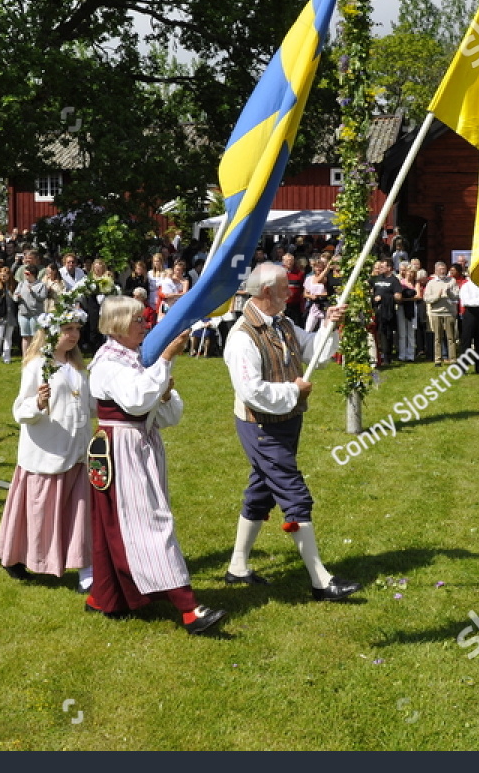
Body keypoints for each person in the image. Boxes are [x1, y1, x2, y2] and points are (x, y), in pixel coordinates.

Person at [86, 296, 226, 634]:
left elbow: (166, 415)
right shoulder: (107, 363)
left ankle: (107, 595)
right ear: (117, 326)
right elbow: (135, 401)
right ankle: (188, 607)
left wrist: (163, 392)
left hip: (138, 445)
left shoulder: (134, 359)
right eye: (137, 320)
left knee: (118, 523)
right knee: (149, 523)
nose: (145, 325)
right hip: (120, 449)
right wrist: (164, 361)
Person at [221, 262, 359, 602]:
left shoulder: (282, 323)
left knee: (261, 491)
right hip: (260, 425)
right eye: (285, 287)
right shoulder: (242, 337)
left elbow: (314, 352)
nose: (291, 291)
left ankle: (238, 566)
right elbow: (252, 391)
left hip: (286, 422)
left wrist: (330, 326)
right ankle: (320, 581)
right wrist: (294, 392)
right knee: (294, 495)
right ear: (266, 291)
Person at [0, 308, 93, 586]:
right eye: (68, 329)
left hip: (77, 450)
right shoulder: (38, 365)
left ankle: (82, 566)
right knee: (40, 513)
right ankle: (18, 557)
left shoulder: (77, 367)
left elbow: (88, 404)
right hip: (48, 452)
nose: (74, 335)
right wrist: (37, 404)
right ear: (52, 332)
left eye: (77, 329)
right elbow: (20, 410)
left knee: (77, 513)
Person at [368, 259, 406, 366]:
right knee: (376, 333)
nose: (380, 268)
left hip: (387, 311)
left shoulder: (394, 281)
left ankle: (387, 357)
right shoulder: (377, 279)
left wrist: (383, 297)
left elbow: (398, 296)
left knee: (386, 333)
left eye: (382, 267)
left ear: (389, 268)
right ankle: (377, 355)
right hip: (376, 309)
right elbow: (368, 286)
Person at [424, 261, 459, 365]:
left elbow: (456, 296)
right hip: (436, 313)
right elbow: (426, 298)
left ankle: (452, 359)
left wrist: (449, 293)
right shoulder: (431, 283)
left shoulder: (452, 281)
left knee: (451, 337)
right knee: (437, 338)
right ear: (436, 271)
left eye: (444, 269)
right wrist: (437, 297)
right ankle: (438, 360)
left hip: (449, 312)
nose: (442, 271)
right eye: (440, 269)